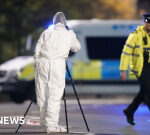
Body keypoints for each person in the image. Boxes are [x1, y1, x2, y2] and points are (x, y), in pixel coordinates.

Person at [34, 12, 81, 133]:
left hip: (42, 63)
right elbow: (77, 47)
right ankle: (51, 126)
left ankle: (45, 124)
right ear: (65, 22)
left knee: (42, 93)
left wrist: (37, 64)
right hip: (57, 64)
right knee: (54, 95)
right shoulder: (69, 33)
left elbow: (37, 50)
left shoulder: (47, 32)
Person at [120, 13, 150, 125]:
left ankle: (130, 110)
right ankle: (129, 111)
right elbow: (126, 53)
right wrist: (123, 70)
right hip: (141, 68)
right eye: (148, 22)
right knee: (149, 92)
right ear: (145, 22)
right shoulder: (135, 35)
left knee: (144, 92)